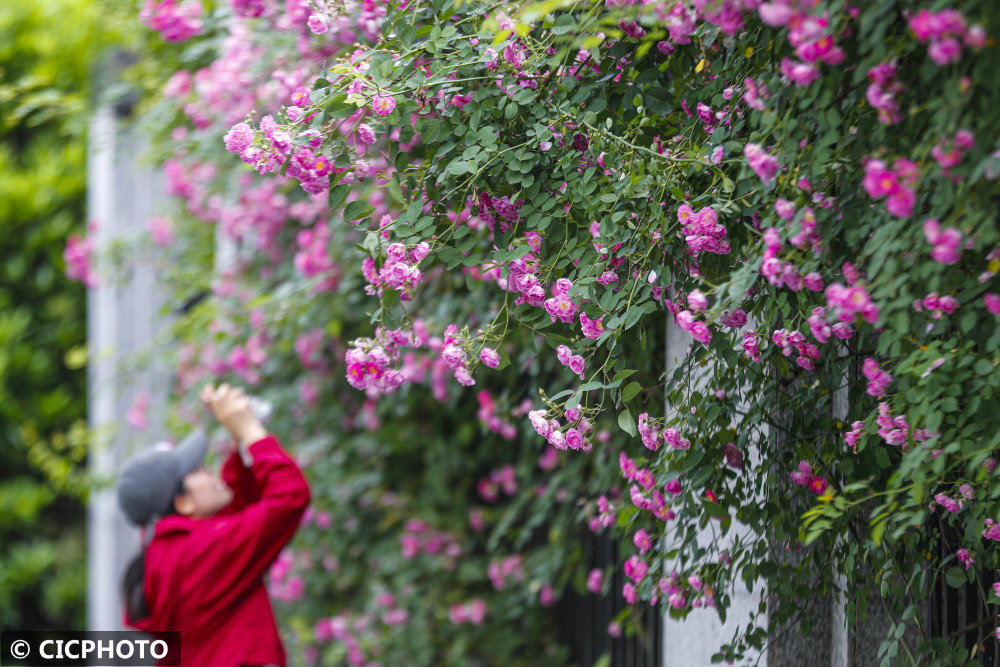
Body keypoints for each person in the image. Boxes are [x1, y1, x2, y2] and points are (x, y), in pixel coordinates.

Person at [116, 383, 311, 667]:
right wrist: (252, 435)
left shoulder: (169, 552)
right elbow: (289, 498)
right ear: (183, 503)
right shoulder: (202, 550)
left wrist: (238, 437)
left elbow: (236, 510)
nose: (210, 471)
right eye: (198, 470)